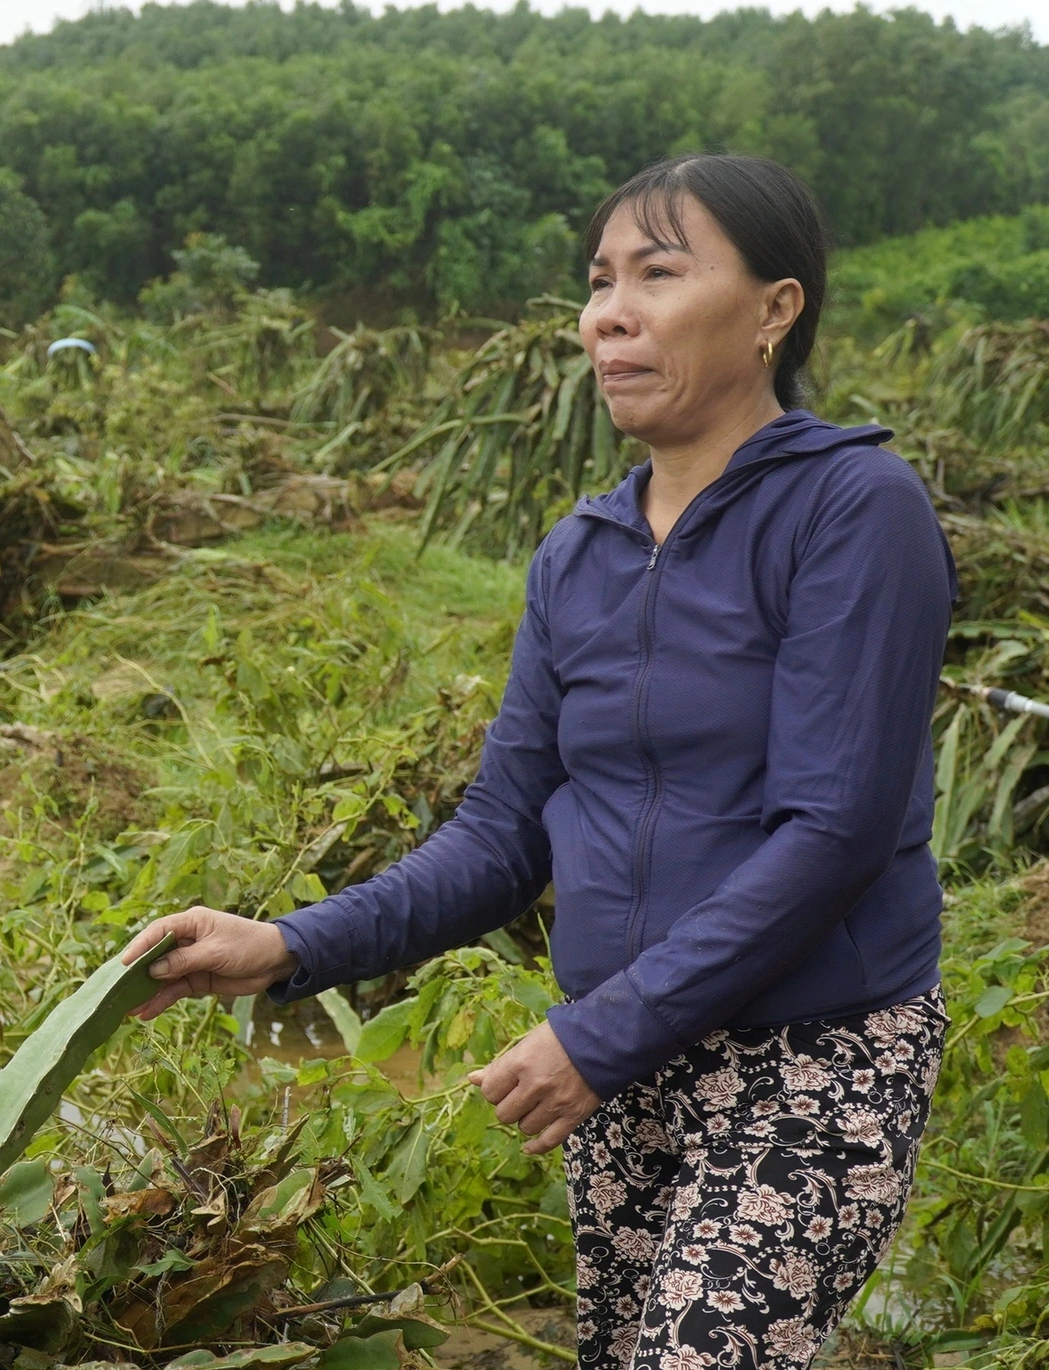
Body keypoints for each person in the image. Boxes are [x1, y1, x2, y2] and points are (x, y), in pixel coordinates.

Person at [119, 154, 955, 1370]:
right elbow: (504, 830)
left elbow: (831, 833)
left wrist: (597, 1037)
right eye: (598, 279)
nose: (606, 312)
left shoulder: (850, 508)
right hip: (626, 1054)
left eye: (656, 275)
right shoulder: (581, 553)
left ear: (774, 309)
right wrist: (290, 943)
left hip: (811, 1050)